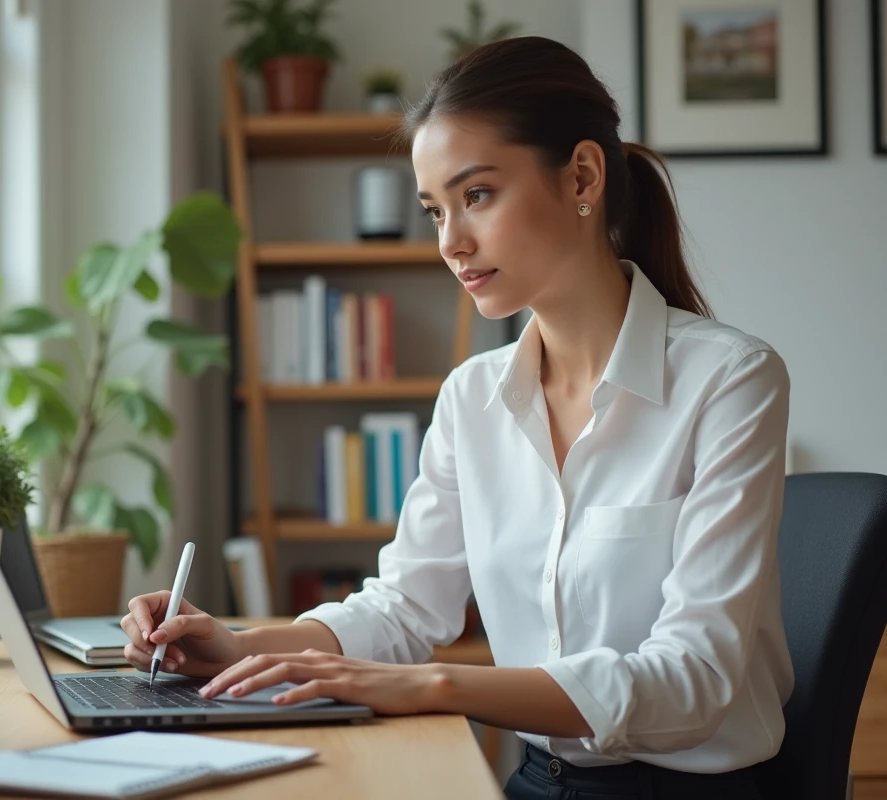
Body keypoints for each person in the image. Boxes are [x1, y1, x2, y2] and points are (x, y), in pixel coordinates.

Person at [120, 35, 792, 800]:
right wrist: (236, 643)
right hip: (539, 780)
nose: (450, 243)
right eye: (435, 210)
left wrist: (440, 686)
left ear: (582, 175)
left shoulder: (731, 380)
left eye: (477, 196)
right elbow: (405, 608)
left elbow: (693, 679)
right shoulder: (473, 398)